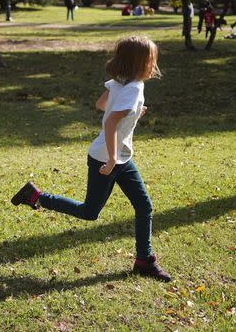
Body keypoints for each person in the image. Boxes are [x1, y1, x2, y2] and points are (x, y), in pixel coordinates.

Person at [11, 35, 171, 281]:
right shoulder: (133, 89)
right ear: (139, 64)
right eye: (151, 61)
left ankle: (143, 260)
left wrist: (133, 114)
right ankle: (35, 196)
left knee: (144, 206)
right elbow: (109, 122)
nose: (154, 66)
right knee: (89, 212)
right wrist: (111, 160)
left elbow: (100, 105)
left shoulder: (121, 84)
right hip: (106, 159)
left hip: (120, 158)